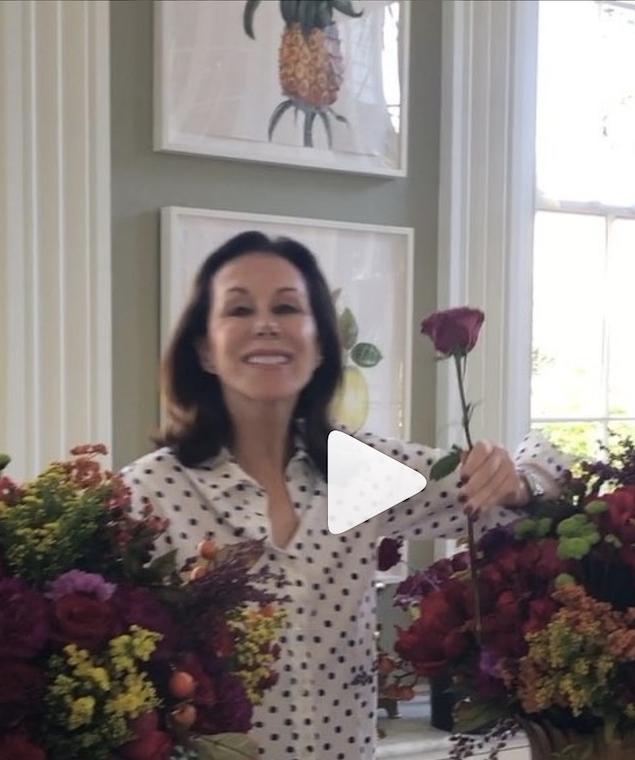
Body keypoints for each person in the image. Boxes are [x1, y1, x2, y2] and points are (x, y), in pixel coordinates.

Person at [122, 231, 569, 759]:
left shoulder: (358, 469)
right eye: (239, 309)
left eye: (287, 307)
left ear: (318, 347)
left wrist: (519, 481)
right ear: (204, 350)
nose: (265, 324)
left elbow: (538, 490)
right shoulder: (149, 494)